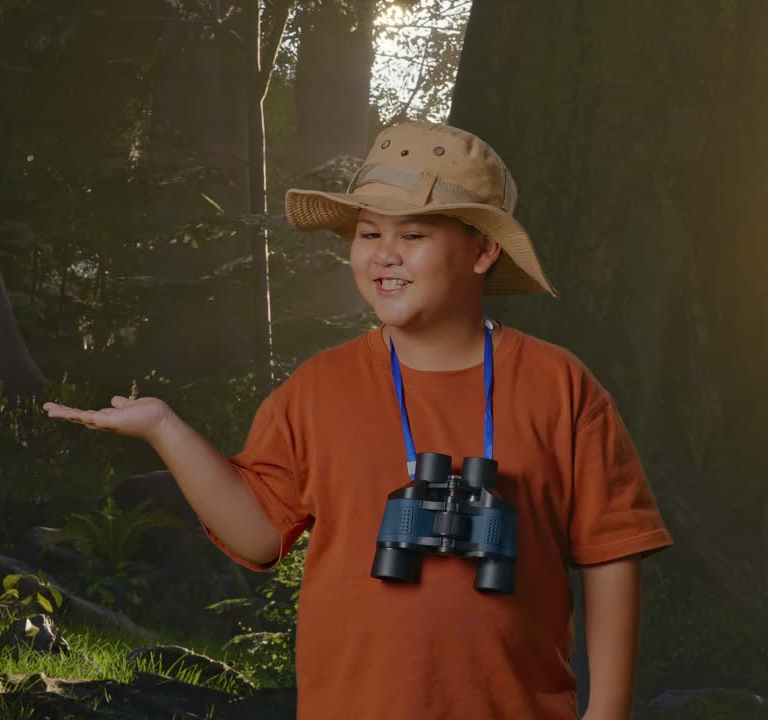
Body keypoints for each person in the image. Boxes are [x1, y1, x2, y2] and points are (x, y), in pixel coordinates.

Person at [43, 121, 673, 719]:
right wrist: (164, 429)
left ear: (482, 250)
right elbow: (259, 534)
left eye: (414, 235)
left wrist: (607, 709)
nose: (383, 256)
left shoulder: (560, 385)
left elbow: (611, 553)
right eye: (369, 234)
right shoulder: (318, 388)